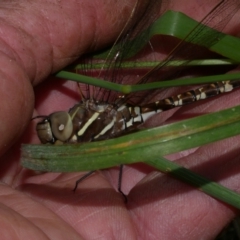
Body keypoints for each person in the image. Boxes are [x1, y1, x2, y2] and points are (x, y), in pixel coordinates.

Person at [1, 0, 240, 239]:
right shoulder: (83, 118)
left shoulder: (88, 125)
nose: (55, 125)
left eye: (56, 124)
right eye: (56, 125)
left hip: (127, 114)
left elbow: (120, 154)